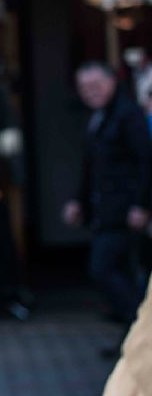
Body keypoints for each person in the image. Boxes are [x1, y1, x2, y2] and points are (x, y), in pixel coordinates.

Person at [63, 62, 151, 327]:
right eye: (84, 88)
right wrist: (79, 201)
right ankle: (133, 333)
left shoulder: (128, 114)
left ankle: (141, 326)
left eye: (96, 85)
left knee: (103, 268)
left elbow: (146, 161)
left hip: (124, 209)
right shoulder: (98, 117)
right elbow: (91, 167)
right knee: (120, 269)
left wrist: (142, 204)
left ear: (111, 82)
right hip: (106, 207)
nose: (90, 93)